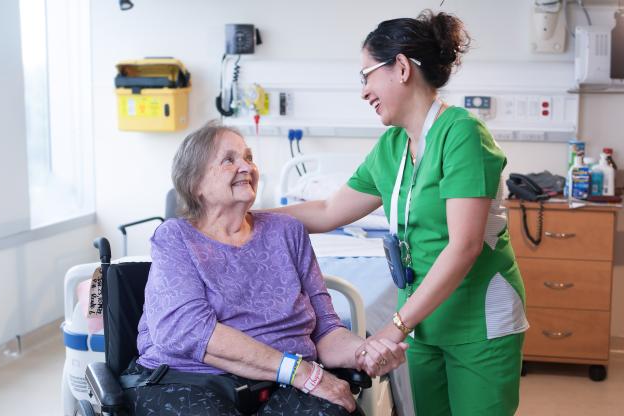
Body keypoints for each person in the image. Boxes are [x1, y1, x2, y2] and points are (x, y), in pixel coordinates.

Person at [273, 10, 529, 416]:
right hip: (423, 320)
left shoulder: (461, 133)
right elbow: (327, 210)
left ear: (402, 68)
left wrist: (395, 327)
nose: (364, 92)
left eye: (366, 76)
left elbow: (464, 247)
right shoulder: (392, 147)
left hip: (477, 320)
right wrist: (246, 214)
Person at [127, 121, 408, 416]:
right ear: (195, 183)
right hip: (191, 379)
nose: (246, 167)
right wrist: (300, 372)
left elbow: (326, 330)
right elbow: (190, 332)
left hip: (280, 386)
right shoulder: (176, 237)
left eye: (249, 158)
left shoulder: (286, 231)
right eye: (229, 159)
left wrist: (363, 351)